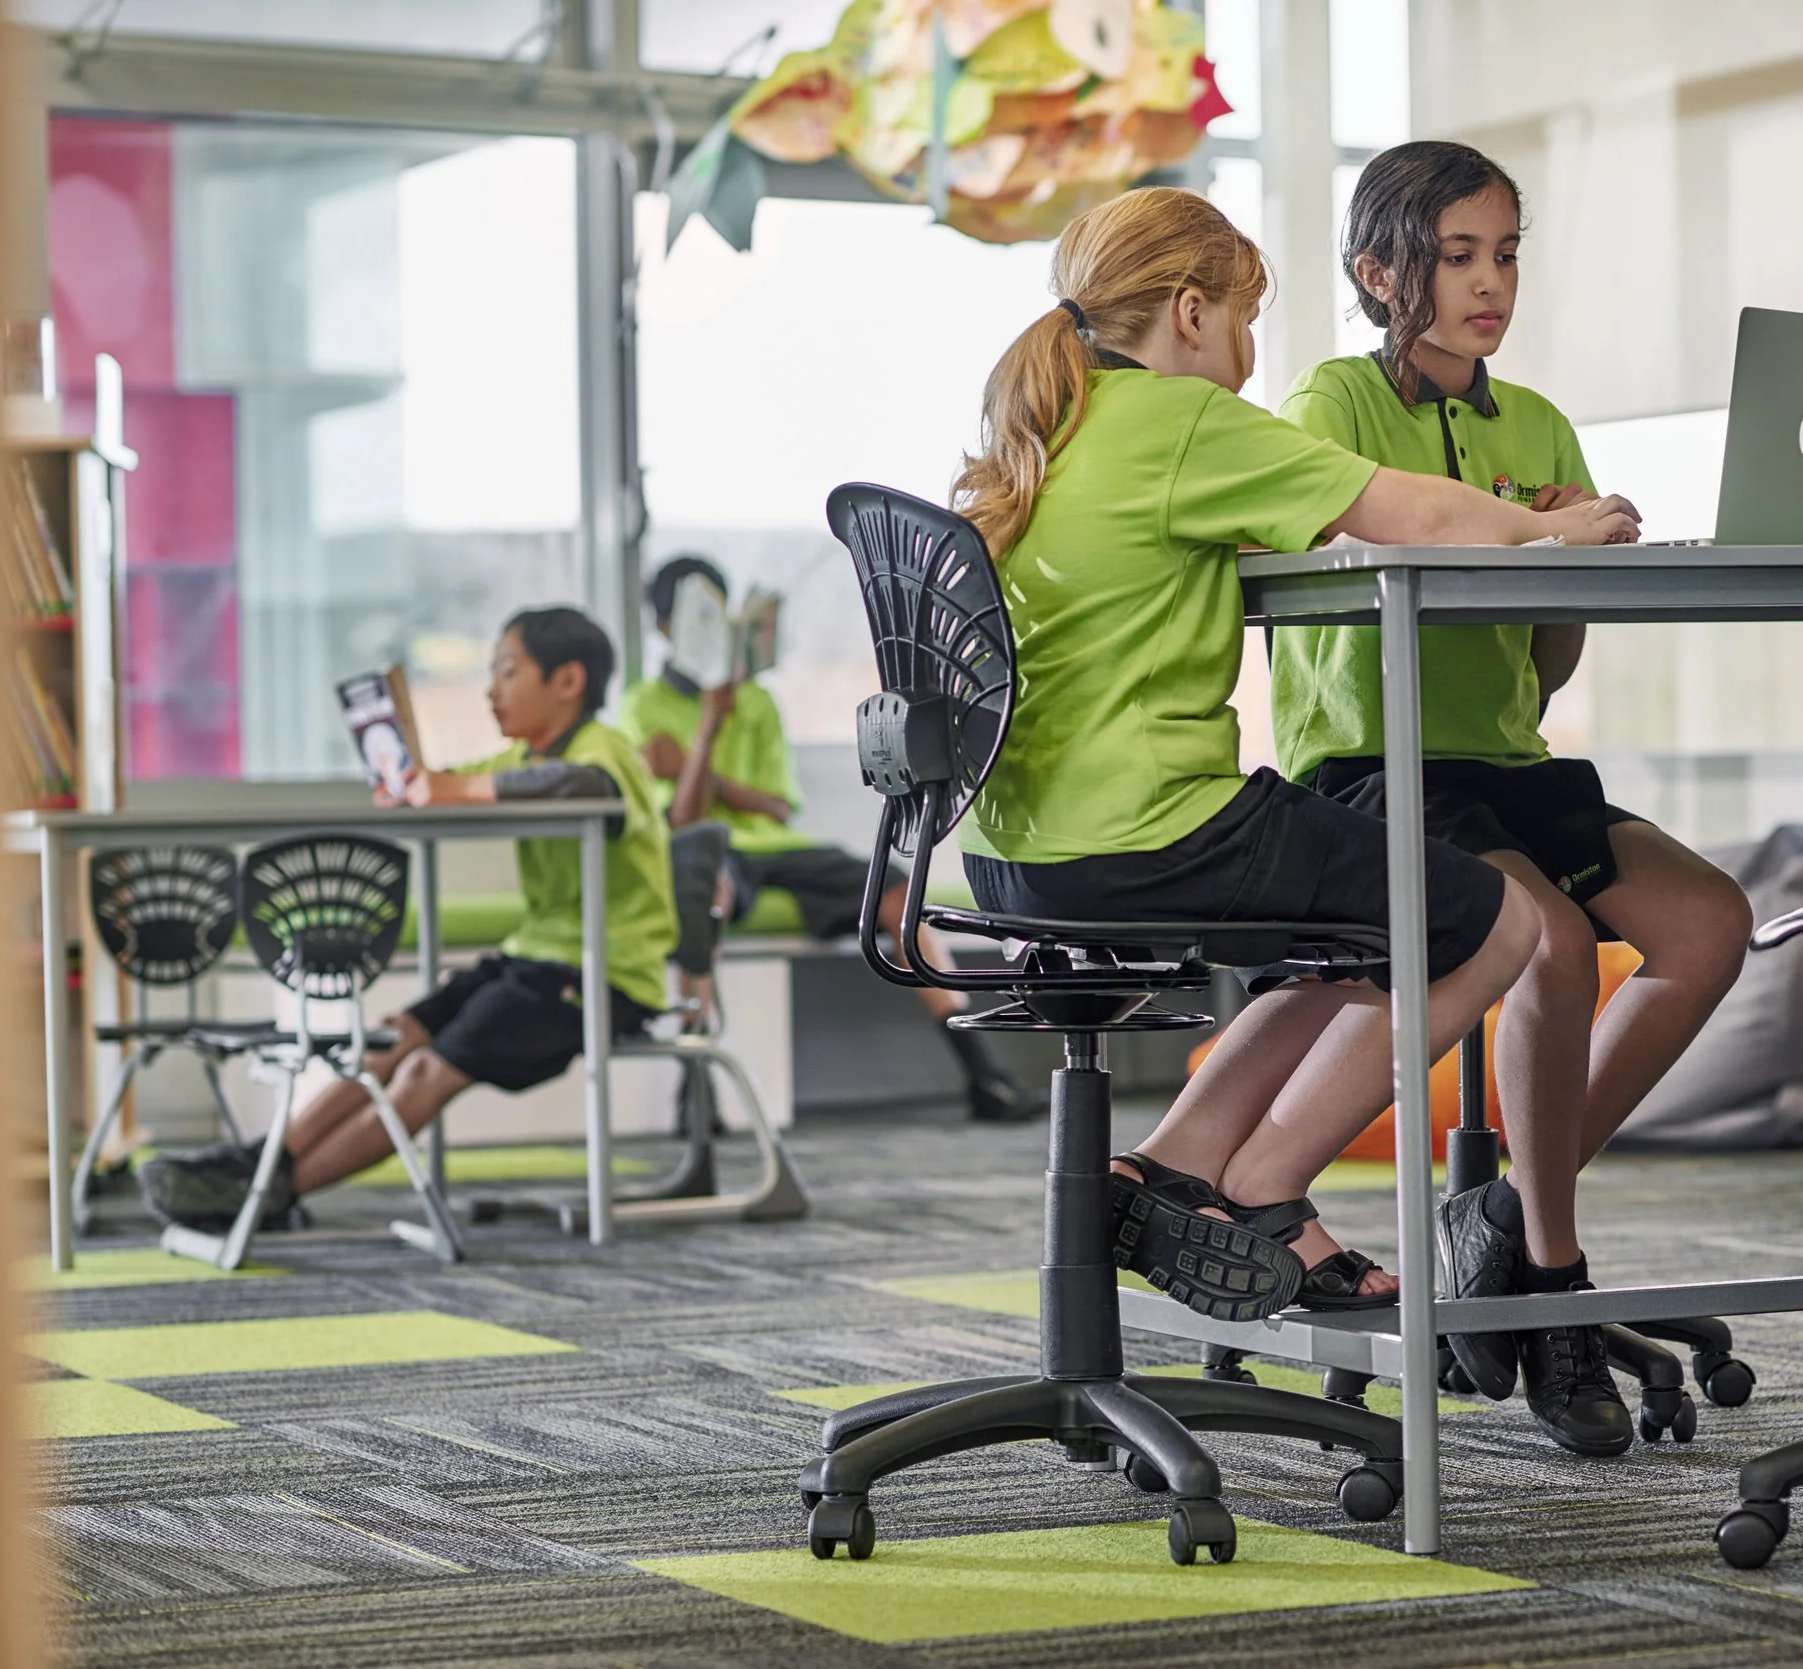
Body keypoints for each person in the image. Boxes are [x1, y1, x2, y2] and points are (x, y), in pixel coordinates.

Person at [949, 185, 1636, 1320]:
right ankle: (1262, 1187)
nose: (1247, 348)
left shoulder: (1051, 425)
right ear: (1187, 313)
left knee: (1357, 921)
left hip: (1015, 847)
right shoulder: (1178, 422)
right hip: (1149, 827)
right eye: (1240, 317)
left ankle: (1171, 1165)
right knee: (1499, 922)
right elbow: (1406, 515)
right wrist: (1551, 526)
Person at [1267, 141, 1754, 1454]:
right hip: (1373, 763)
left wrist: (1568, 571)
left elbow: (1546, 669)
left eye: (1509, 254)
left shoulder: (1534, 422)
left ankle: (1500, 1217)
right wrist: (1526, 529)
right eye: (1461, 256)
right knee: (1547, 941)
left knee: (1712, 923)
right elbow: (1361, 539)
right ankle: (1549, 1277)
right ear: (1380, 273)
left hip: (1504, 756)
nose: (1493, 284)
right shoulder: (1325, 400)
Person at [141, 609, 680, 1229]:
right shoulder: (516, 760)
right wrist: (417, 782)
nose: (491, 691)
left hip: (604, 977)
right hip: (534, 958)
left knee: (425, 1069)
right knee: (396, 1036)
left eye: (508, 672)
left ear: (568, 682)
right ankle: (262, 1161)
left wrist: (458, 789)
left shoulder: (605, 751)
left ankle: (271, 1195)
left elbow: (580, 785)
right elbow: (462, 783)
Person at [621, 554, 1044, 1124]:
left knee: (897, 894)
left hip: (775, 847)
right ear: (664, 628)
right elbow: (683, 823)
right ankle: (695, 1083)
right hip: (712, 849)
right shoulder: (641, 706)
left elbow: (777, 806)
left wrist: (706, 769)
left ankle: (981, 1072)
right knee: (705, 891)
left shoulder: (760, 701)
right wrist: (706, 731)